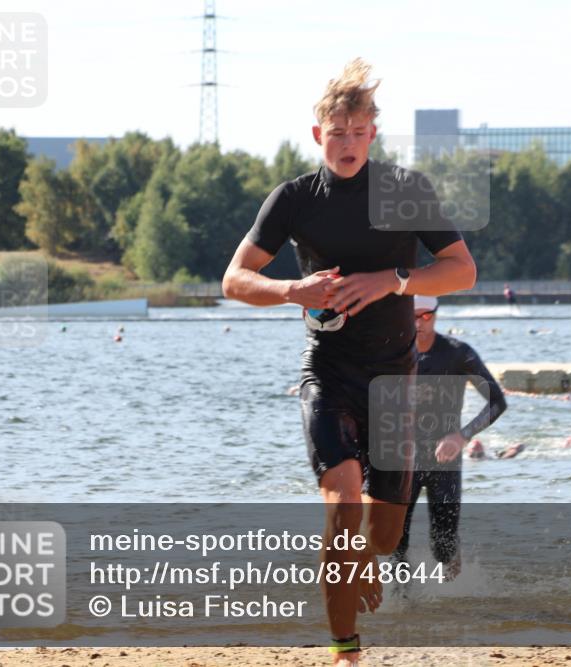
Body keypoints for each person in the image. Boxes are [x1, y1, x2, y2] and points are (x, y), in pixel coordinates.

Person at [221, 59, 476, 666]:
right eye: (337, 131)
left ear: (373, 136)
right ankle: (345, 652)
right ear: (318, 135)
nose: (348, 143)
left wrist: (393, 279)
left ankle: (362, 564)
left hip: (394, 379)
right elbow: (234, 279)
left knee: (383, 537)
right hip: (327, 372)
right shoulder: (293, 200)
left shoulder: (406, 191)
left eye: (360, 132)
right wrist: (292, 290)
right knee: (341, 508)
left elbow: (462, 270)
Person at [391, 295, 507, 581]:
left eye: (426, 316)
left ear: (436, 314)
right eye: (412, 316)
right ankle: (403, 602)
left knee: (443, 543)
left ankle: (454, 598)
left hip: (445, 461)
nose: (418, 323)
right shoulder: (390, 352)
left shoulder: (457, 353)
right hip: (400, 459)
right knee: (395, 540)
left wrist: (463, 436)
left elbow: (496, 402)